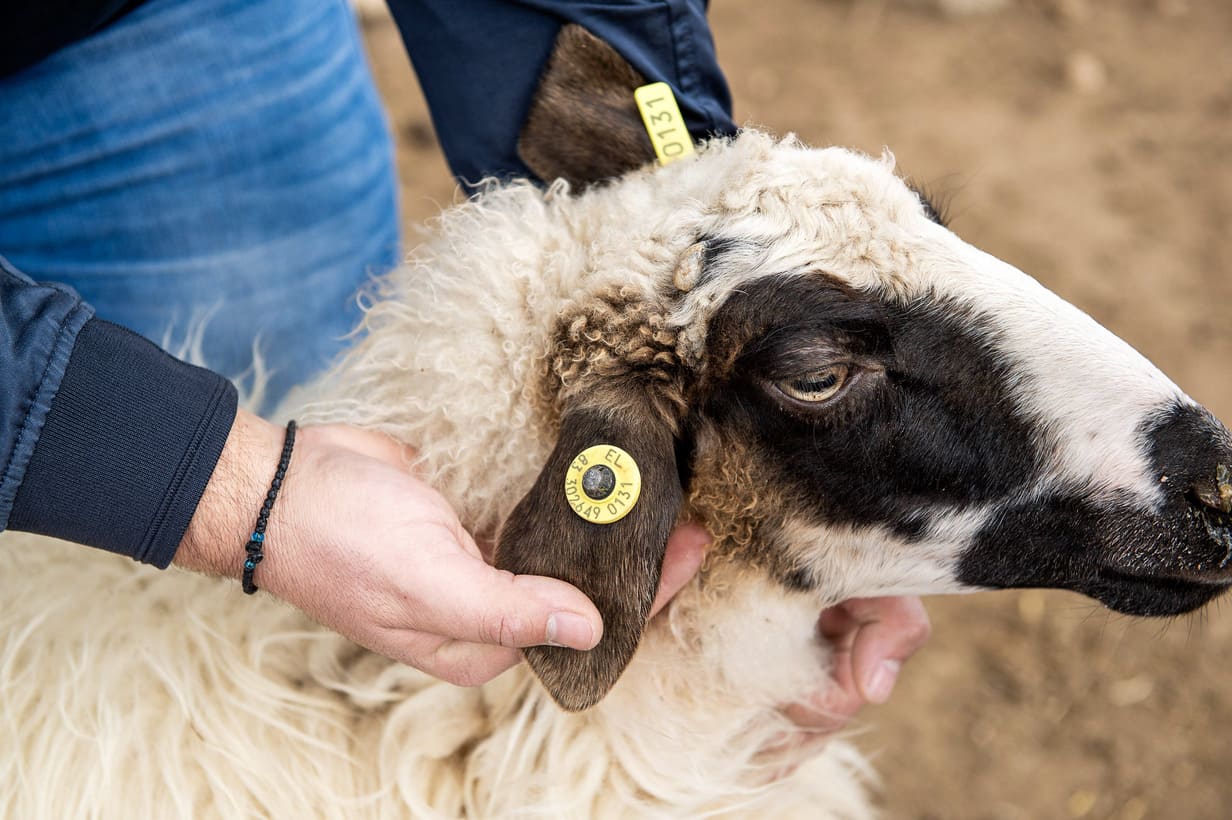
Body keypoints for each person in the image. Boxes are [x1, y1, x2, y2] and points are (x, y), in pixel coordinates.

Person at [0, 0, 928, 725]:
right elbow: (227, 482)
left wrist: (678, 212)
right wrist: (239, 491)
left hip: (138, 32)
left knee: (292, 608)